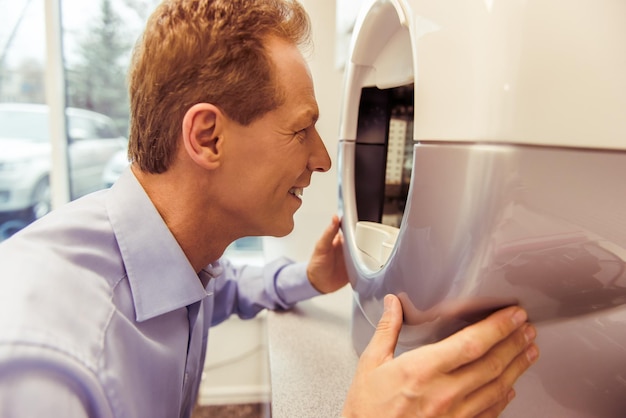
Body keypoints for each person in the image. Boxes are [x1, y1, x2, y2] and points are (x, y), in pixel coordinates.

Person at [0, 0, 538, 417]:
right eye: (301, 130)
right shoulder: (51, 367)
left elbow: (224, 286)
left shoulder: (173, 257)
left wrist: (307, 278)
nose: (324, 159)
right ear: (208, 137)